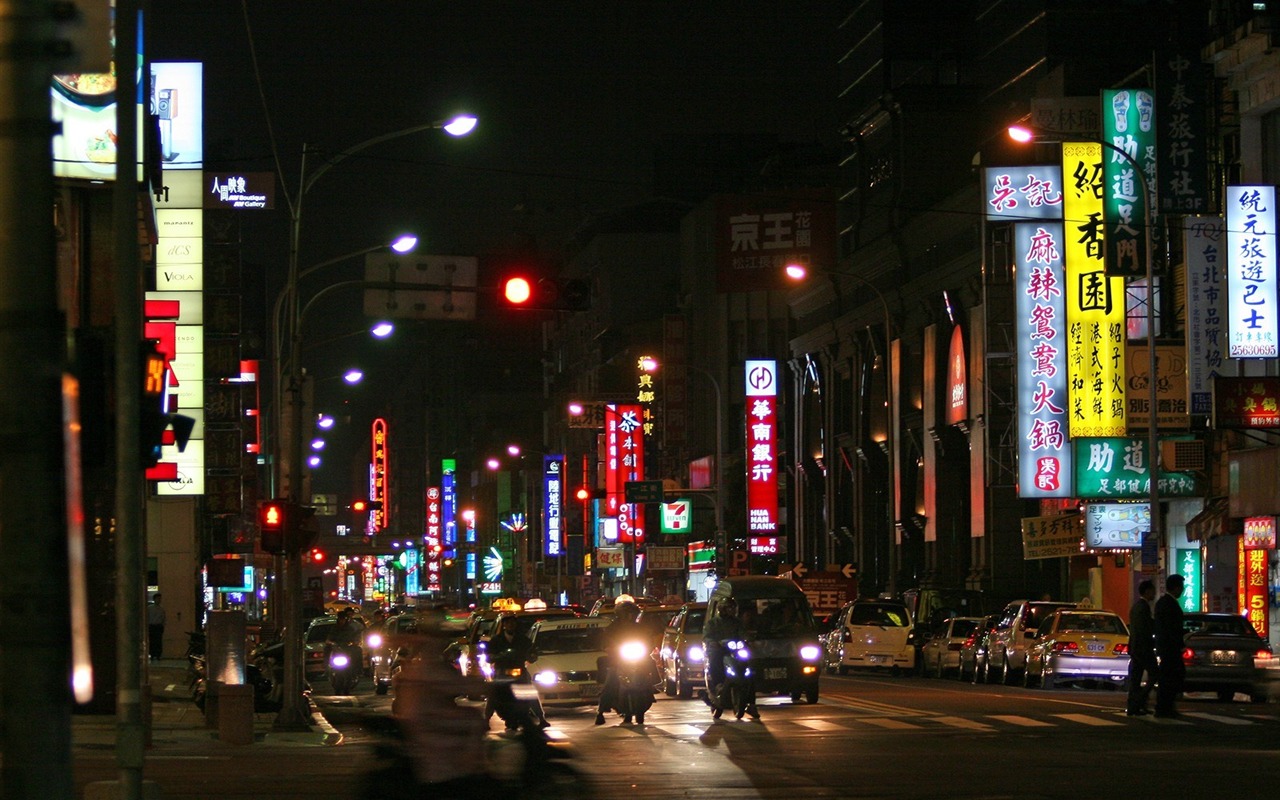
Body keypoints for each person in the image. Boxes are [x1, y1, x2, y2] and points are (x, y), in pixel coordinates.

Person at [486, 615, 548, 729]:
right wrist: (500, 656)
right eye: (508, 622)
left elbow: (531, 652)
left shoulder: (522, 639)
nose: (510, 625)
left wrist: (532, 656)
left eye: (512, 622)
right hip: (502, 673)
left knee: (530, 693)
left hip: (519, 672)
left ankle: (541, 718)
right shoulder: (496, 640)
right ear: (504, 625)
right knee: (493, 695)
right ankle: (486, 720)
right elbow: (488, 657)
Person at [702, 597, 757, 717]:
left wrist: (748, 640)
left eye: (733, 608)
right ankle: (718, 685)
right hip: (720, 650)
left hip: (735, 650)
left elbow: (743, 633)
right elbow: (707, 636)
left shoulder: (737, 622)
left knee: (750, 669)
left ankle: (752, 704)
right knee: (715, 661)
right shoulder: (713, 623)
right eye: (730, 608)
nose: (732, 610)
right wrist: (713, 642)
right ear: (722, 608)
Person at [595, 600, 642, 725]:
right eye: (627, 614)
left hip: (637, 658)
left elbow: (647, 639)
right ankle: (601, 710)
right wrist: (610, 648)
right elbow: (605, 641)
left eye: (632, 614)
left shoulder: (638, 627)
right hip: (618, 659)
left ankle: (650, 688)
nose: (629, 617)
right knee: (611, 680)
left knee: (648, 667)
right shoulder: (613, 627)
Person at [1153, 573, 1186, 718]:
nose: (1182, 590)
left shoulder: (1163, 602)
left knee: (1168, 677)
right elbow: (1171, 628)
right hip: (1170, 648)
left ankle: (1164, 706)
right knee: (1171, 677)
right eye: (1181, 587)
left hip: (1166, 647)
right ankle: (1165, 707)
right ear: (1176, 588)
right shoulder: (1169, 604)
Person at [1125, 580, 1157, 716]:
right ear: (1147, 591)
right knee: (1155, 674)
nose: (1154, 593)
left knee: (1136, 678)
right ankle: (1140, 700)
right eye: (1152, 590)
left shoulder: (1136, 606)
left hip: (1136, 648)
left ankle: (1134, 706)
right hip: (1143, 648)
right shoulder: (1143, 607)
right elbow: (1144, 629)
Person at [147, 593, 166, 661]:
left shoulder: (161, 609)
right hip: (152, 626)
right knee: (152, 641)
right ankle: (152, 654)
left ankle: (158, 655)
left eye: (160, 599)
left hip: (158, 626)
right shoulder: (149, 608)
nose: (159, 600)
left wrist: (163, 625)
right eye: (158, 599)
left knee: (158, 641)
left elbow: (163, 618)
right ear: (154, 599)